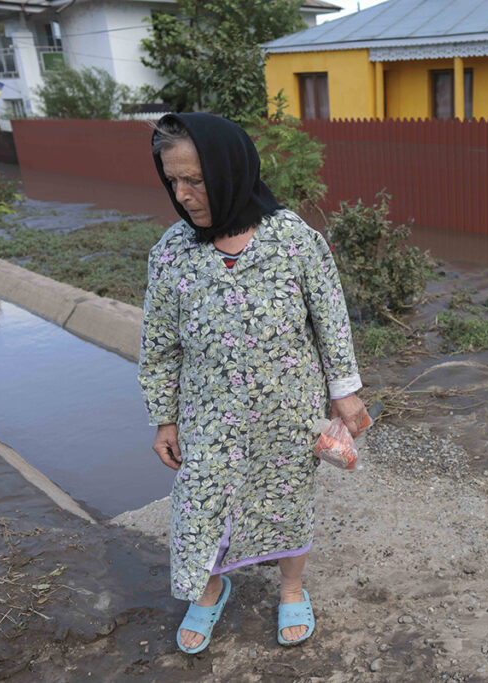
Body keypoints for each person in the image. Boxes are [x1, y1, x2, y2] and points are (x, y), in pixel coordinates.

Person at [138, 113, 367, 653]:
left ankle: (291, 588)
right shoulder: (171, 252)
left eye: (195, 179)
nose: (184, 194)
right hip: (207, 414)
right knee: (200, 503)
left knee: (287, 500)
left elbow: (329, 319)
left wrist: (345, 391)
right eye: (172, 180)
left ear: (229, 170)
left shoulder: (293, 239)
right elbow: (159, 346)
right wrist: (164, 418)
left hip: (288, 409)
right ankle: (210, 588)